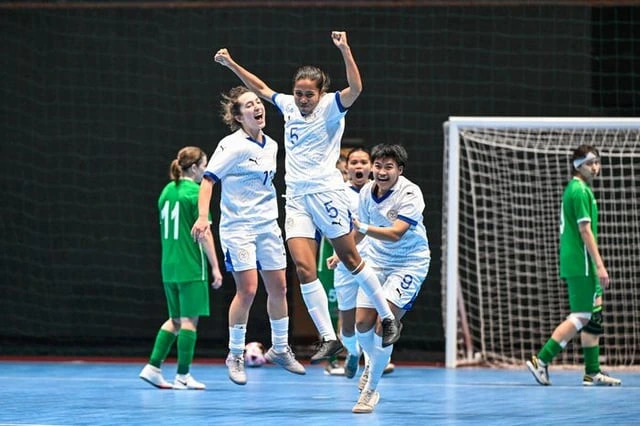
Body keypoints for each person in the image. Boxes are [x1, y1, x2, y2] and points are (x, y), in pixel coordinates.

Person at [213, 31, 401, 363]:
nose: (301, 99)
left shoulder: (331, 107)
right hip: (297, 198)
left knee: (350, 258)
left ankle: (387, 317)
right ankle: (329, 337)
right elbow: (262, 89)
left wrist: (345, 50)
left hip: (326, 193)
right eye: (299, 94)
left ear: (320, 93)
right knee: (302, 268)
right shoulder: (287, 105)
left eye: (308, 95)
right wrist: (231, 64)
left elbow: (356, 89)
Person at [191, 86, 305, 386]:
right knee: (249, 290)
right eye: (249, 105)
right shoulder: (232, 146)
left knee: (279, 287)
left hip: (268, 225)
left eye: (258, 102)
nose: (258, 107)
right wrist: (203, 216)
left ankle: (280, 348)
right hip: (239, 228)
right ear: (239, 116)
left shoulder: (272, 146)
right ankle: (235, 354)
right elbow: (208, 181)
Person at [329, 144, 430, 413]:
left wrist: (361, 227)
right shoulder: (366, 192)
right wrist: (343, 252)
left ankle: (370, 390)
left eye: (389, 167)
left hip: (408, 264)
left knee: (382, 327)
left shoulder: (410, 193)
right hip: (376, 261)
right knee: (362, 324)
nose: (382, 172)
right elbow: (360, 233)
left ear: (399, 170)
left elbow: (396, 232)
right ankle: (371, 363)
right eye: (378, 166)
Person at [526, 145, 621, 387]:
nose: (595, 167)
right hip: (582, 262)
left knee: (594, 313)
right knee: (581, 315)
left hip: (579, 261)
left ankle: (592, 371)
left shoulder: (580, 189)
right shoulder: (579, 191)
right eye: (591, 163)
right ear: (578, 166)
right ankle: (541, 359)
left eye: (597, 162)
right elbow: (584, 230)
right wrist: (600, 266)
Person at [139, 146, 224, 390]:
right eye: (205, 164)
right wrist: (215, 267)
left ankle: (153, 367)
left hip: (169, 265)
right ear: (195, 167)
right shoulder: (196, 193)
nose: (206, 169)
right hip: (190, 264)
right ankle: (183, 376)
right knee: (188, 321)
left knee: (175, 319)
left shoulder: (167, 191)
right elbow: (204, 233)